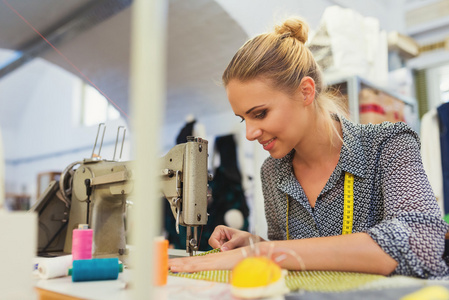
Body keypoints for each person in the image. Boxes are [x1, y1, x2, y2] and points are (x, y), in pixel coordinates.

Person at [168, 17, 449, 278]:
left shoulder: (389, 144)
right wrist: (256, 244)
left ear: (306, 91)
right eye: (243, 119)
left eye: (261, 113)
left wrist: (263, 253)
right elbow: (295, 260)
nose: (250, 133)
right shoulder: (273, 172)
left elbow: (423, 244)